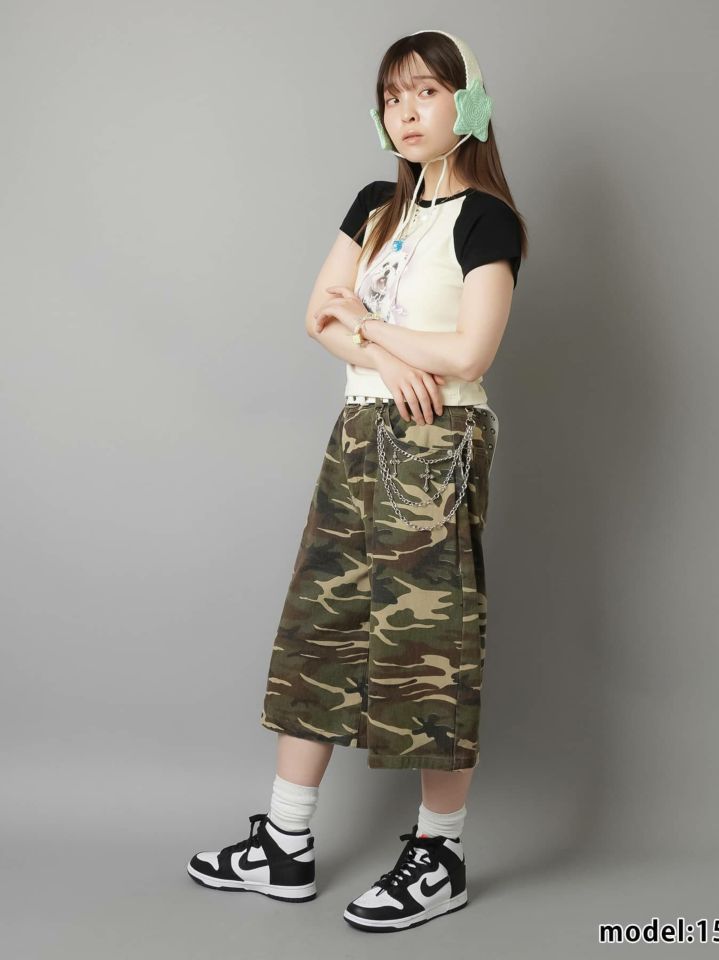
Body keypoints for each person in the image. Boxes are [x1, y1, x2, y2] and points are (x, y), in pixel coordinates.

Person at [186, 28, 527, 933]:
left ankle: (440, 856)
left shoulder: (488, 218)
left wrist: (369, 327)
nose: (406, 112)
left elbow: (471, 352)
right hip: (360, 432)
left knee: (430, 645)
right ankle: (284, 844)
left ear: (469, 102)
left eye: (425, 92)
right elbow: (318, 317)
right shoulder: (375, 205)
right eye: (391, 97)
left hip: (437, 441)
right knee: (321, 627)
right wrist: (388, 348)